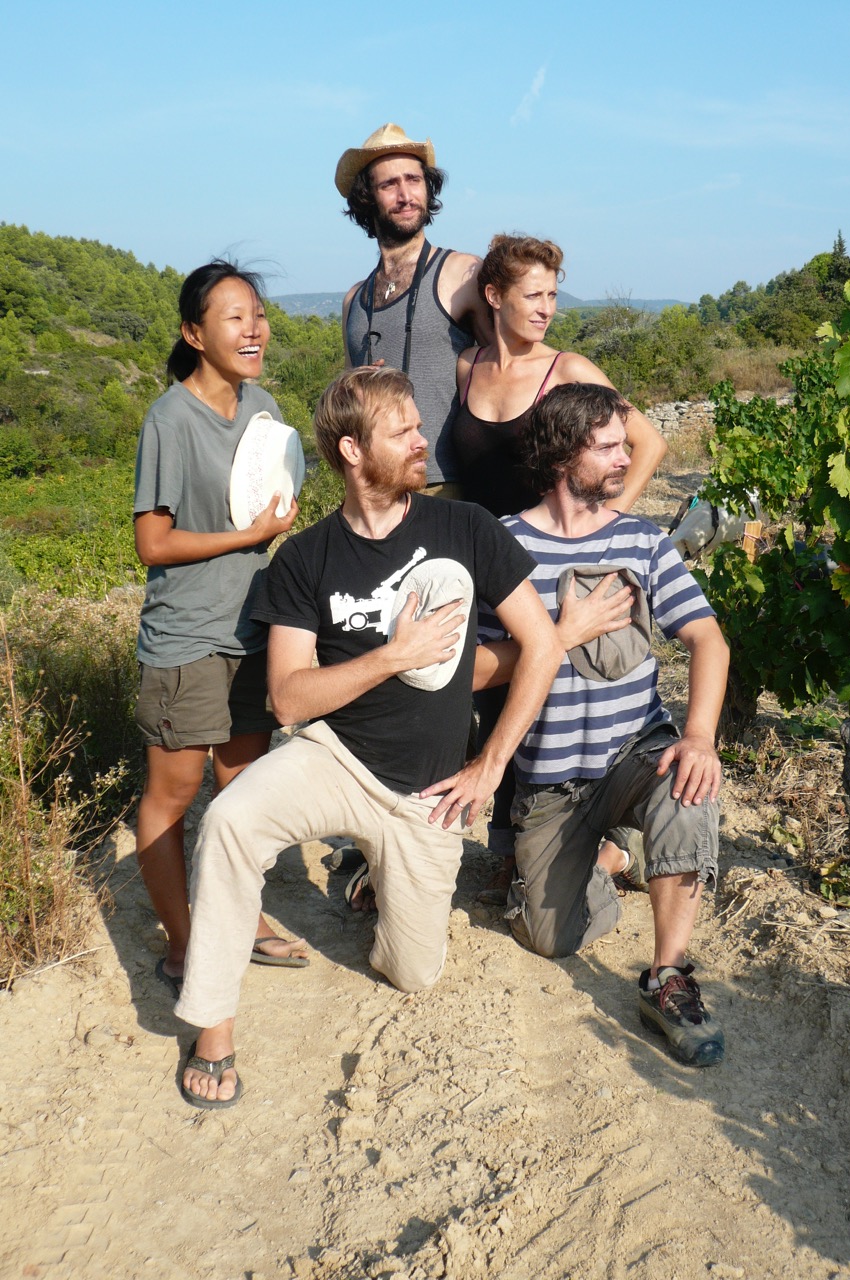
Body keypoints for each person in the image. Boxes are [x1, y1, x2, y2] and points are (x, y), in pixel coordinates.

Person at [175, 366, 563, 1108]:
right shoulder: (306, 559)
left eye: (419, 426)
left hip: (428, 792)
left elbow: (540, 646)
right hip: (336, 758)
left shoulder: (466, 527)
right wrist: (393, 655)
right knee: (227, 821)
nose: (423, 442)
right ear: (352, 451)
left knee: (414, 972)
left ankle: (372, 876)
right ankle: (213, 1029)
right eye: (403, 432)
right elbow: (288, 696)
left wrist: (489, 765)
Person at [475, 383, 730, 1067]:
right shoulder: (502, 544)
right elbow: (469, 671)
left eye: (625, 445)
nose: (626, 460)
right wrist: (557, 635)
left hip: (632, 756)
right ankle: (615, 855)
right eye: (609, 447)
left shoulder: (641, 541)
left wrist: (699, 737)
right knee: (551, 937)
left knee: (688, 788)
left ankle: (667, 976)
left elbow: (709, 641)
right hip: (550, 784)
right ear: (562, 456)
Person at [451, 234, 668, 901]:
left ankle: (600, 843)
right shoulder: (466, 368)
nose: (547, 306)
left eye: (552, 292)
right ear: (495, 297)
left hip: (552, 566)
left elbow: (648, 440)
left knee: (548, 700)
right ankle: (513, 845)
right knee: (492, 694)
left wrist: (607, 535)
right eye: (533, 294)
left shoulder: (569, 368)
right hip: (486, 564)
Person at [134, 260, 308, 999]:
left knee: (241, 795)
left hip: (252, 627)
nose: (254, 328)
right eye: (234, 317)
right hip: (186, 638)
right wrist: (249, 538)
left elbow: (266, 502)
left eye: (258, 314)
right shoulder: (169, 419)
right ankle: (183, 943)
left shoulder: (262, 405)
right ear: (193, 332)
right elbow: (154, 542)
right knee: (172, 796)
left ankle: (247, 917)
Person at [338, 122, 492, 498]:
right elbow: (347, 405)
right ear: (367, 198)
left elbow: (512, 369)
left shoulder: (462, 274)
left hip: (447, 486)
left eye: (414, 180)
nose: (406, 195)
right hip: (374, 489)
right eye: (389, 184)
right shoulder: (353, 301)